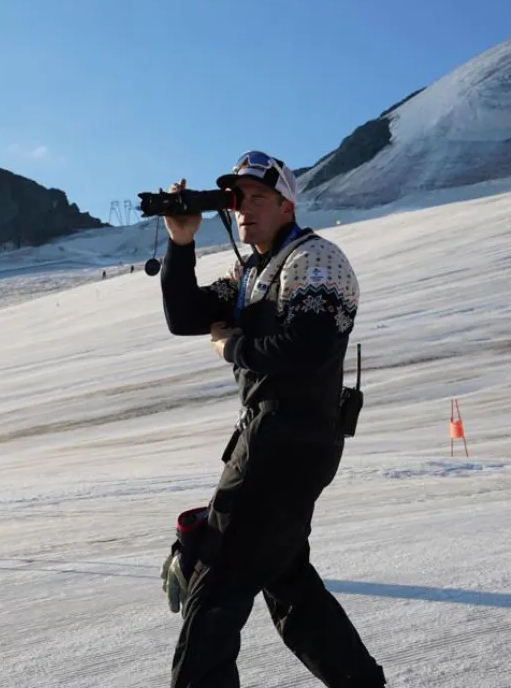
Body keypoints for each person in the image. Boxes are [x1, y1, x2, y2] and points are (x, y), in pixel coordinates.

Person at [158, 150, 385, 687]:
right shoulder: (253, 270)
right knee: (287, 581)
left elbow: (308, 347)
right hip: (278, 439)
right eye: (238, 201)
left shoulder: (317, 260)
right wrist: (180, 240)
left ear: (287, 204)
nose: (244, 211)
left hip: (286, 441)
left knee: (215, 581)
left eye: (258, 199)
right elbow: (184, 315)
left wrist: (235, 348)